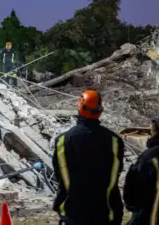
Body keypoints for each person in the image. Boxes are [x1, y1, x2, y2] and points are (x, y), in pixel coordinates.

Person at [52, 90, 125, 225]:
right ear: (100, 111)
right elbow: (116, 173)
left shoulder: (63, 141)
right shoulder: (115, 142)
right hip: (106, 215)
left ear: (79, 107)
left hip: (73, 215)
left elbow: (59, 176)